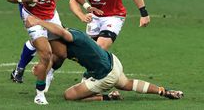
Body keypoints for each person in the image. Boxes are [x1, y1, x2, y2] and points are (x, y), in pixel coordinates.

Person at [6, 0, 103, 105]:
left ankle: (48, 71)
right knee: (46, 54)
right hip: (32, 17)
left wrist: (87, 6)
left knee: (61, 55)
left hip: (51, 16)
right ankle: (39, 94)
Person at [25, 15, 184, 101]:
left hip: (105, 75)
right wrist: (43, 68)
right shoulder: (68, 41)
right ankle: (163, 91)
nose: (52, 48)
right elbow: (58, 56)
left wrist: (39, 21)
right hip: (113, 63)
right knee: (126, 83)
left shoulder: (72, 37)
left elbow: (61, 36)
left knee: (69, 95)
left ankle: (108, 97)